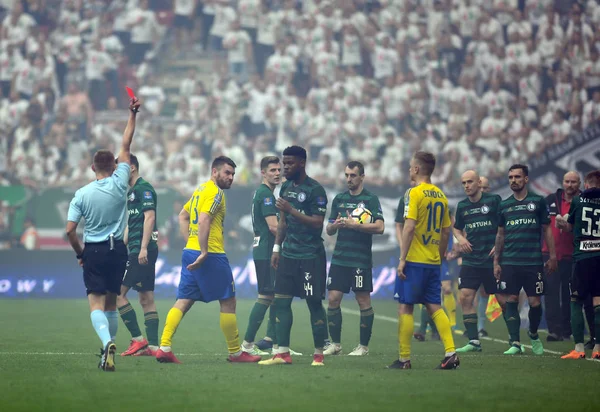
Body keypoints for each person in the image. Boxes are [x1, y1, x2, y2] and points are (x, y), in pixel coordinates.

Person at [156, 156, 261, 364]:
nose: (231, 178)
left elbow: (182, 216)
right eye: (227, 173)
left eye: (232, 174)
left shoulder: (200, 190)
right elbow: (204, 219)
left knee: (184, 300)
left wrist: (191, 243)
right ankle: (235, 352)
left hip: (190, 251)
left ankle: (164, 347)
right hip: (211, 254)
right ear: (215, 172)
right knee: (228, 300)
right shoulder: (215, 193)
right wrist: (203, 251)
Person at [65, 97, 141, 371]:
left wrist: (80, 253)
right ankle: (108, 349)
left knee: (95, 304)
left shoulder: (82, 194)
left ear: (92, 168)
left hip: (94, 250)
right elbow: (126, 144)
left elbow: (70, 230)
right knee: (112, 302)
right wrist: (132, 114)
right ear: (115, 165)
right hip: (118, 250)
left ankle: (107, 342)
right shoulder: (121, 180)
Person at [258, 146, 329, 366]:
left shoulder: (315, 190)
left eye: (289, 163)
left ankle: (319, 355)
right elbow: (282, 222)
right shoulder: (286, 187)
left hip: (310, 255)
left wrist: (291, 210)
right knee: (280, 303)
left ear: (302, 163)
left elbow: (318, 223)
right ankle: (282, 353)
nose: (285, 167)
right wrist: (277, 248)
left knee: (313, 303)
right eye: (284, 163)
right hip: (288, 253)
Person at [390, 151, 459, 370]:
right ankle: (451, 352)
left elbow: (408, 226)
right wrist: (438, 257)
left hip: (414, 261)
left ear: (417, 169)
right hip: (432, 261)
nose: (410, 170)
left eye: (411, 167)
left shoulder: (414, 193)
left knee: (405, 307)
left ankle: (404, 359)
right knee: (435, 307)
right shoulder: (441, 195)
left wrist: (402, 259)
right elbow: (446, 232)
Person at [493, 164, 558, 356]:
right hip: (510, 261)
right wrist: (496, 261)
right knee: (511, 298)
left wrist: (552, 256)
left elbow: (547, 229)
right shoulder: (504, 205)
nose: (513, 180)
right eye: (511, 177)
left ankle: (533, 332)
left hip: (533, 261)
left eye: (517, 177)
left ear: (526, 179)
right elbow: (500, 235)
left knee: (535, 302)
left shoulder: (537, 202)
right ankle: (514, 342)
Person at [323, 161, 384, 356]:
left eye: (353, 175)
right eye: (347, 175)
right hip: (340, 258)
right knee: (333, 299)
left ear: (362, 177)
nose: (349, 179)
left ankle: (363, 347)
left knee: (363, 300)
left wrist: (355, 225)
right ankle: (336, 344)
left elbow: (380, 227)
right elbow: (329, 229)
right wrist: (338, 224)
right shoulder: (339, 199)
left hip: (360, 259)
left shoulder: (371, 200)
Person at [242, 156, 301, 356]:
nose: (277, 173)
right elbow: (273, 227)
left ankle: (272, 340)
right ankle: (247, 344)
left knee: (277, 297)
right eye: (273, 170)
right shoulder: (266, 195)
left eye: (279, 170)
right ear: (263, 173)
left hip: (265, 249)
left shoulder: (265, 193)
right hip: (268, 251)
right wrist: (295, 238)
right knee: (267, 296)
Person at [453, 170, 502, 353]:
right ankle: (474, 341)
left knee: (505, 300)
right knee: (465, 297)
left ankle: (515, 342)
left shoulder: (493, 200)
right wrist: (461, 239)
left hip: (491, 259)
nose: (466, 185)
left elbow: (503, 226)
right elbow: (456, 229)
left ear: (478, 183)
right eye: (463, 182)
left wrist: (499, 247)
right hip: (471, 260)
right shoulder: (462, 205)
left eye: (470, 182)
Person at [117, 154, 160, 357]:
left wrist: (142, 248)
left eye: (121, 169)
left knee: (117, 293)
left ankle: (138, 339)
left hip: (142, 250)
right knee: (146, 298)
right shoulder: (131, 192)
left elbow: (150, 217)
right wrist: (119, 246)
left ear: (131, 168)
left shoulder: (144, 188)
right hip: (137, 249)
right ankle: (152, 347)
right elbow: (132, 223)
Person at [558, 170, 600, 360]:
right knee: (598, 302)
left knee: (576, 301)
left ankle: (579, 348)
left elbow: (569, 223)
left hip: (582, 257)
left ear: (587, 183)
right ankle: (598, 347)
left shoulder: (578, 201)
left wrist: (561, 220)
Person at [542, 171, 584, 342]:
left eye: (573, 182)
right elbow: (541, 224)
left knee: (569, 295)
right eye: (567, 181)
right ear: (562, 182)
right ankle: (554, 331)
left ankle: (567, 330)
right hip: (549, 254)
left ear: (579, 184)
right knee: (551, 293)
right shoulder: (550, 200)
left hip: (572, 255)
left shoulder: (583, 202)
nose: (570, 185)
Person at [476, 176, 492, 336]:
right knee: (468, 293)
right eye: (480, 188)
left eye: (485, 188)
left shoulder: (494, 207)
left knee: (487, 293)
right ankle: (476, 328)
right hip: (472, 257)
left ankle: (481, 327)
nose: (482, 191)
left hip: (490, 256)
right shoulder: (469, 206)